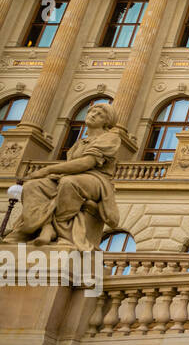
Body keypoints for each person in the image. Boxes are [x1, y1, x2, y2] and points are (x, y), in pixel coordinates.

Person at [4, 103, 121, 250]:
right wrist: (51, 174)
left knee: (69, 183)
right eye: (92, 111)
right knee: (33, 186)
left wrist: (47, 170)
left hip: (97, 179)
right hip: (73, 176)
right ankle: (42, 227)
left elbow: (86, 163)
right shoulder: (80, 143)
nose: (93, 115)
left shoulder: (110, 138)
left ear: (106, 122)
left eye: (100, 115)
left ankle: (62, 232)